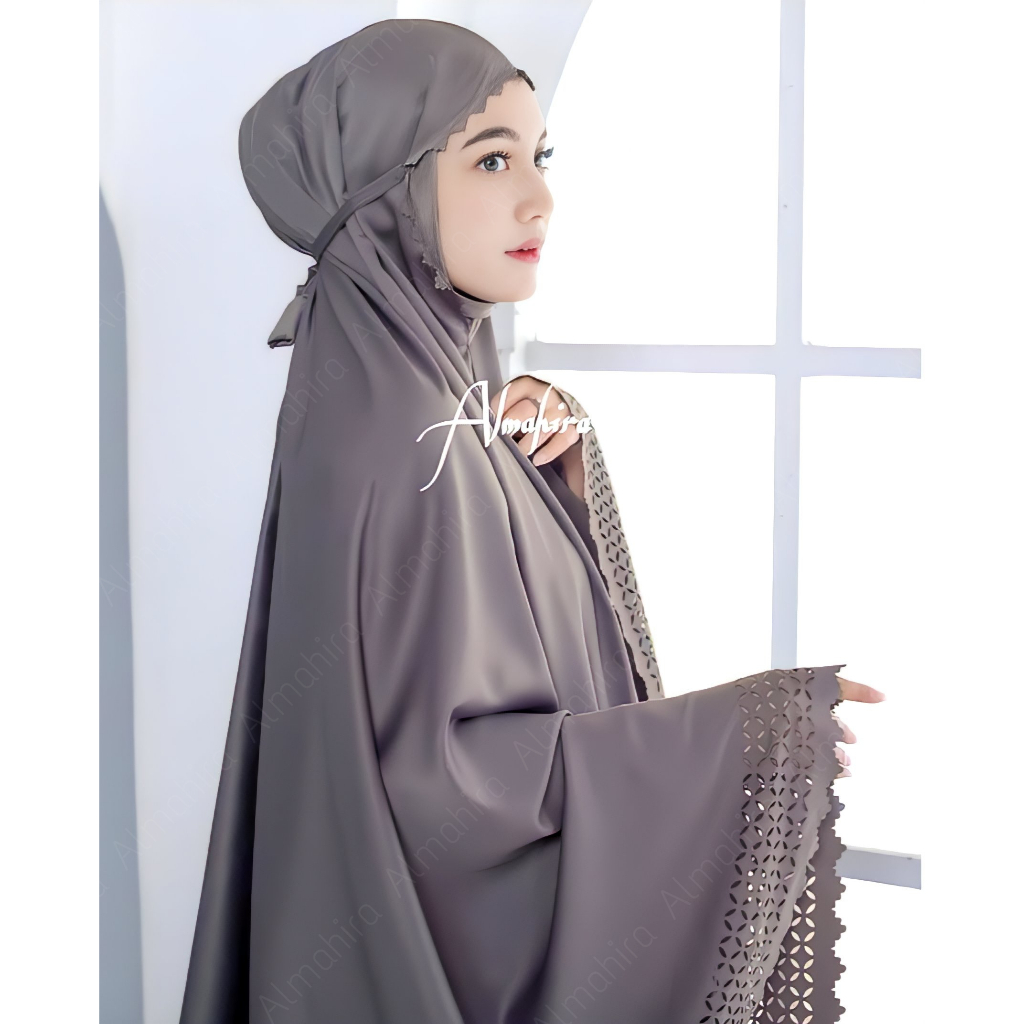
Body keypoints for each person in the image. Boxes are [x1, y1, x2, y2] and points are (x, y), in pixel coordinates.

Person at [178, 18, 885, 1024]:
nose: (538, 198)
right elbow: (442, 795)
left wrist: (545, 468)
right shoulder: (396, 435)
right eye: (491, 159)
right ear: (387, 194)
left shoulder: (426, 395)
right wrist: (748, 736)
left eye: (538, 157)